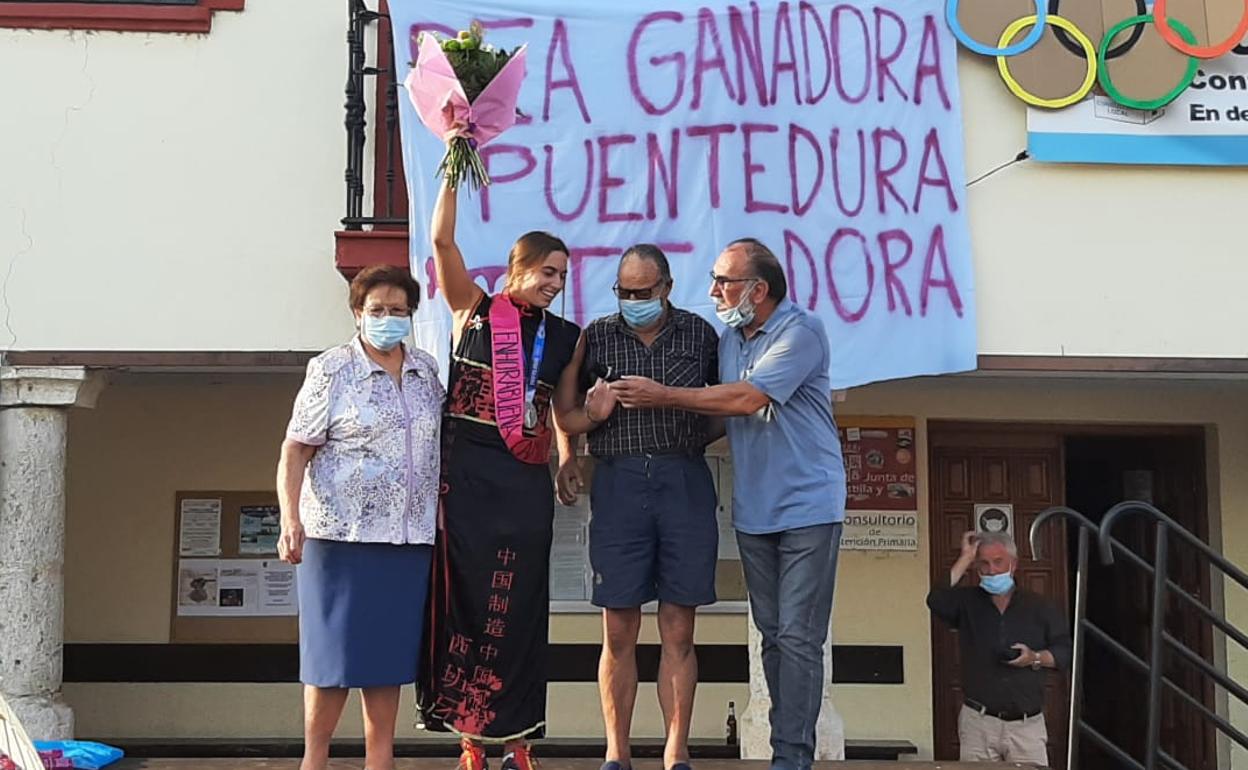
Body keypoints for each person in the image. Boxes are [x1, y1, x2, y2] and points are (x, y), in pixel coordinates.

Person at [609, 238, 846, 770]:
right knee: (771, 636)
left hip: (809, 506)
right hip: (755, 509)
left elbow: (746, 398)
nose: (714, 290)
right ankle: (787, 751)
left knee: (798, 636)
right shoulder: (731, 340)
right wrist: (657, 441)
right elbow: (718, 414)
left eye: (724, 280)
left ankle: (791, 757)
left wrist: (662, 395)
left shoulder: (800, 330)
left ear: (758, 289)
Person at [420, 177, 613, 770]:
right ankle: (472, 739)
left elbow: (564, 412)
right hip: (467, 475)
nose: (555, 284)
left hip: (525, 479)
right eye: (546, 271)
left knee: (522, 602)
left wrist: (583, 433)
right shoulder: (475, 309)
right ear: (516, 267)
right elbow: (441, 240)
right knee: (466, 601)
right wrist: (452, 171)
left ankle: (520, 741)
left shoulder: (567, 338)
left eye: (562, 275)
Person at [558, 244, 721, 770]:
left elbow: (726, 404)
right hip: (619, 479)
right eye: (623, 292)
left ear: (666, 288)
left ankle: (677, 750)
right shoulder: (597, 335)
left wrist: (682, 417)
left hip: (683, 475)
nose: (632, 300)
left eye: (642, 292)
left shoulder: (700, 334)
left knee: (679, 627)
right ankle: (617, 752)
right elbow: (565, 415)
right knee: (618, 626)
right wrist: (580, 433)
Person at [276, 264, 443, 770]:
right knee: (330, 661)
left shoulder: (426, 371)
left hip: (407, 539)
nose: (387, 319)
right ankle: (315, 760)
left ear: (411, 315)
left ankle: (381, 760)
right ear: (357, 313)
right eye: (377, 310)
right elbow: (295, 450)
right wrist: (289, 519)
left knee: (386, 659)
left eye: (398, 311)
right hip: (337, 536)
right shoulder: (330, 369)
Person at [927, 531, 1072, 765]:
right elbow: (936, 599)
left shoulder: (1040, 606)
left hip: (1027, 725)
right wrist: (965, 557)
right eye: (984, 564)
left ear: (1013, 565)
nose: (992, 570)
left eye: (998, 562)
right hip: (979, 722)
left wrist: (1034, 658)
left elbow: (1065, 652)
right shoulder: (967, 602)